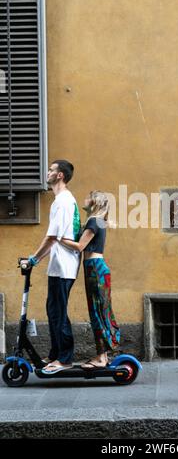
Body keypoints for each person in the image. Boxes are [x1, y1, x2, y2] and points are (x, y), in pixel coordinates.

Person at [23, 160, 81, 374]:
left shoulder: (64, 201)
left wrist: (34, 260)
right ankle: (56, 354)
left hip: (64, 266)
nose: (47, 173)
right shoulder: (60, 200)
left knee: (59, 311)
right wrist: (37, 260)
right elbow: (54, 240)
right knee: (53, 310)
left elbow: (52, 237)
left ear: (60, 176)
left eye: (51, 170)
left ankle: (65, 358)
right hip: (59, 266)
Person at [60, 190, 120, 368]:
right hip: (96, 268)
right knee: (100, 311)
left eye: (88, 197)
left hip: (94, 268)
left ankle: (102, 358)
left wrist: (58, 237)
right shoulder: (97, 220)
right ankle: (103, 355)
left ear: (94, 202)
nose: (84, 199)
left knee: (97, 312)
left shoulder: (94, 221)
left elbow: (79, 246)